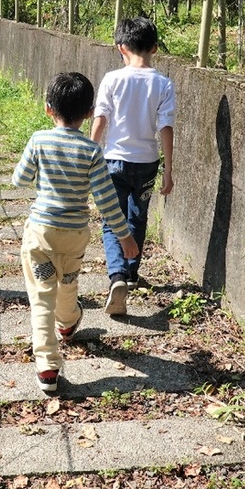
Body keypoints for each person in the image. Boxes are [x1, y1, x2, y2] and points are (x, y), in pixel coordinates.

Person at [12, 72, 139, 394]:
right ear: (88, 113)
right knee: (67, 281)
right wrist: (125, 236)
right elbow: (107, 199)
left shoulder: (39, 140)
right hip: (74, 235)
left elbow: (19, 179)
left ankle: (47, 366)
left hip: (41, 235)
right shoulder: (92, 151)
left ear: (47, 109)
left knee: (42, 297)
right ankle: (68, 322)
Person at [91, 16, 176, 317]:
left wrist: (90, 153)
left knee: (111, 220)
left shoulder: (113, 79)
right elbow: (165, 127)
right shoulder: (163, 83)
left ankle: (117, 277)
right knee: (138, 218)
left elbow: (101, 118)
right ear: (155, 48)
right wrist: (168, 169)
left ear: (120, 48)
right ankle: (131, 273)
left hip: (113, 160)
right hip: (147, 164)